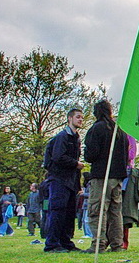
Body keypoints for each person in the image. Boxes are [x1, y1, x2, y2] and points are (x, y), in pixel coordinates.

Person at [82, 100, 129, 254]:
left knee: (97, 209)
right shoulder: (119, 130)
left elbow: (91, 154)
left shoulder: (97, 129)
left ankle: (98, 244)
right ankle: (116, 244)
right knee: (115, 212)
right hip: (118, 176)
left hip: (102, 175)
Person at [43, 108, 85, 253]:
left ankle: (65, 242)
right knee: (58, 211)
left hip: (70, 181)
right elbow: (58, 157)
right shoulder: (62, 137)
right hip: (59, 179)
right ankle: (52, 244)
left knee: (68, 213)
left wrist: (77, 184)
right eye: (78, 117)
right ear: (70, 118)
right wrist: (76, 164)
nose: (80, 120)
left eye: (82, 118)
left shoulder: (76, 138)